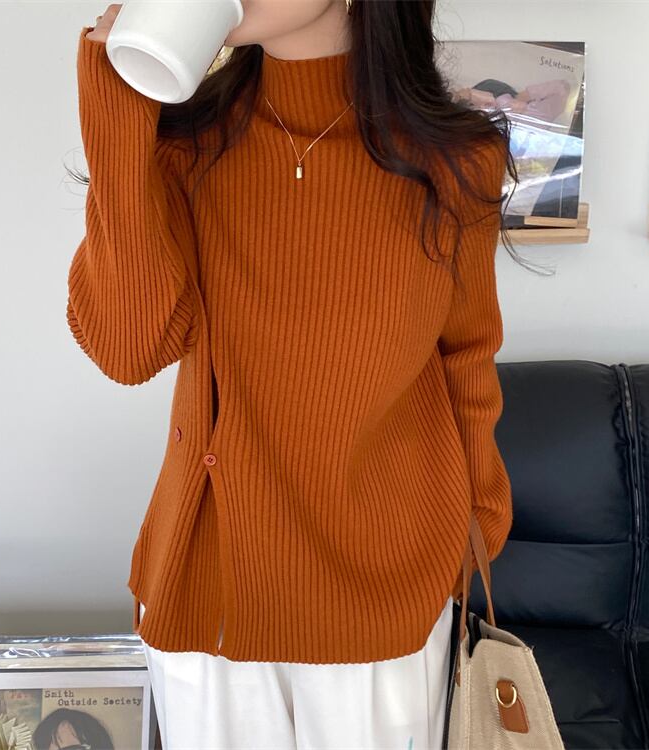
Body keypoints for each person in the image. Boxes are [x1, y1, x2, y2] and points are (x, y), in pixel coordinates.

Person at [67, 0, 519, 747]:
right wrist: (117, 109)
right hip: (210, 593)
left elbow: (467, 354)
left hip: (389, 596)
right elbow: (128, 349)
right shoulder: (187, 146)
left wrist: (475, 526)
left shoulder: (457, 159)